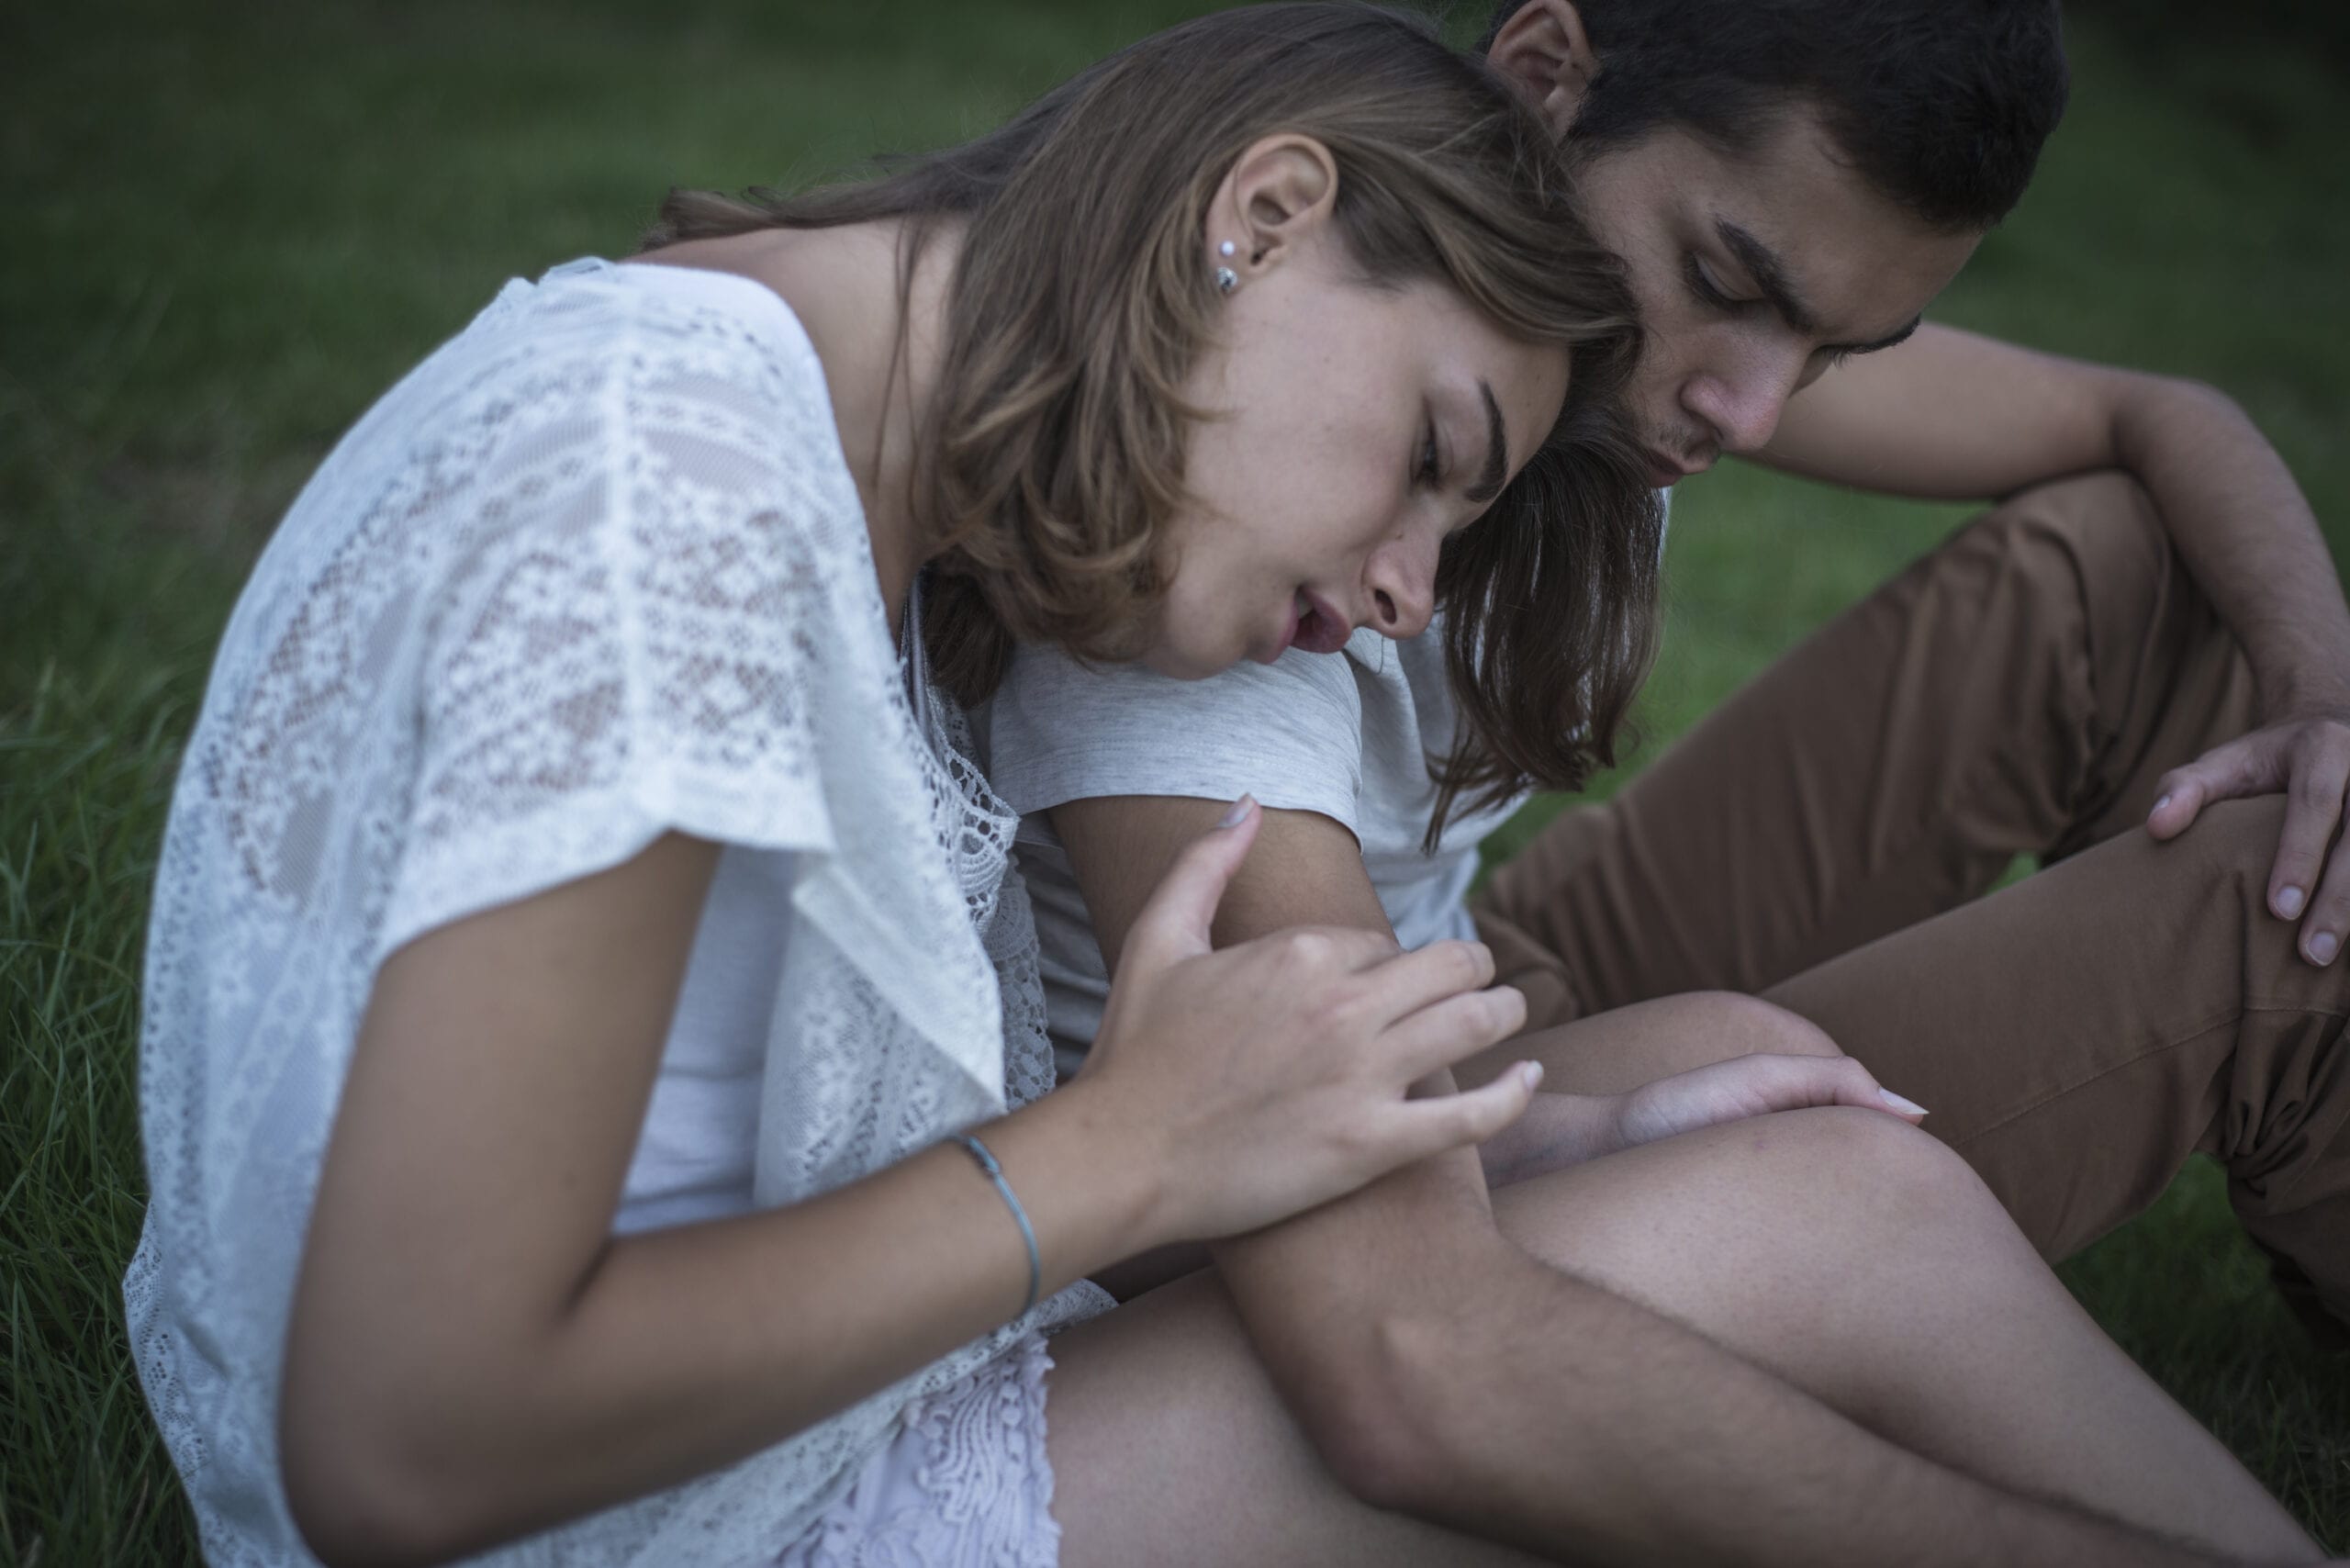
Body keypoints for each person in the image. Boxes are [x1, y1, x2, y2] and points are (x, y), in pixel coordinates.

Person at [980, 0, 2347, 1561]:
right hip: (1321, 1093)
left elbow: (2159, 415)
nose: (1750, 414)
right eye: (1726, 286)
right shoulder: (1240, 533)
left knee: (2111, 574)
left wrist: (2320, 695)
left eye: (1834, 350)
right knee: (2267, 933)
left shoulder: (1627, 373)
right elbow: (1389, 1316)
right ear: (1548, 80)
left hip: (1478, 973)